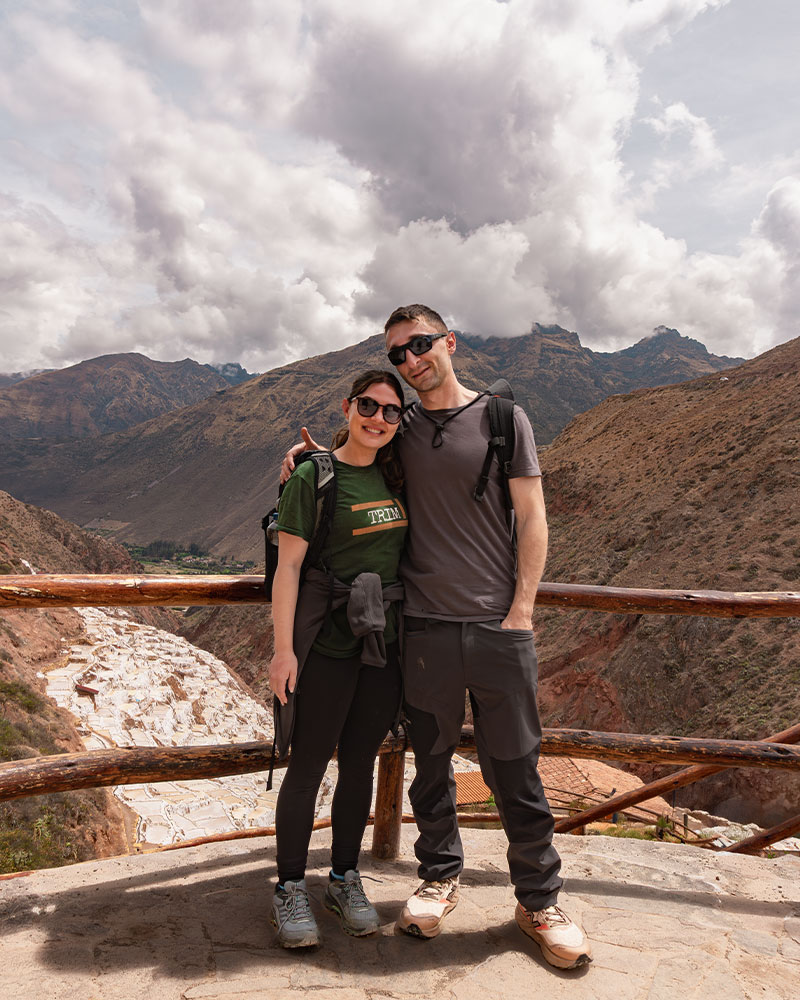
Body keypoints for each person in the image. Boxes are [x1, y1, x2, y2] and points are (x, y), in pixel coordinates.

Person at [283, 305, 592, 970]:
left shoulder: (504, 420)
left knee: (516, 768)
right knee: (431, 765)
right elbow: (354, 454)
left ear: (449, 342)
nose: (410, 360)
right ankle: (440, 877)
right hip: (421, 628)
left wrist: (522, 612)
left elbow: (534, 517)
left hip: (496, 627)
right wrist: (306, 461)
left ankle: (538, 901)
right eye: (397, 353)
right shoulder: (400, 424)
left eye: (420, 344)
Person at [268, 369, 407, 948]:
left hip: (383, 644)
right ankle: (290, 887)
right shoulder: (313, 478)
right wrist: (281, 650)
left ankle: (344, 878)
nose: (378, 419)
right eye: (369, 407)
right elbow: (290, 568)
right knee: (307, 766)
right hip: (326, 642)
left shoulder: (399, 473)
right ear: (348, 407)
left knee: (359, 764)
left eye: (391, 412)